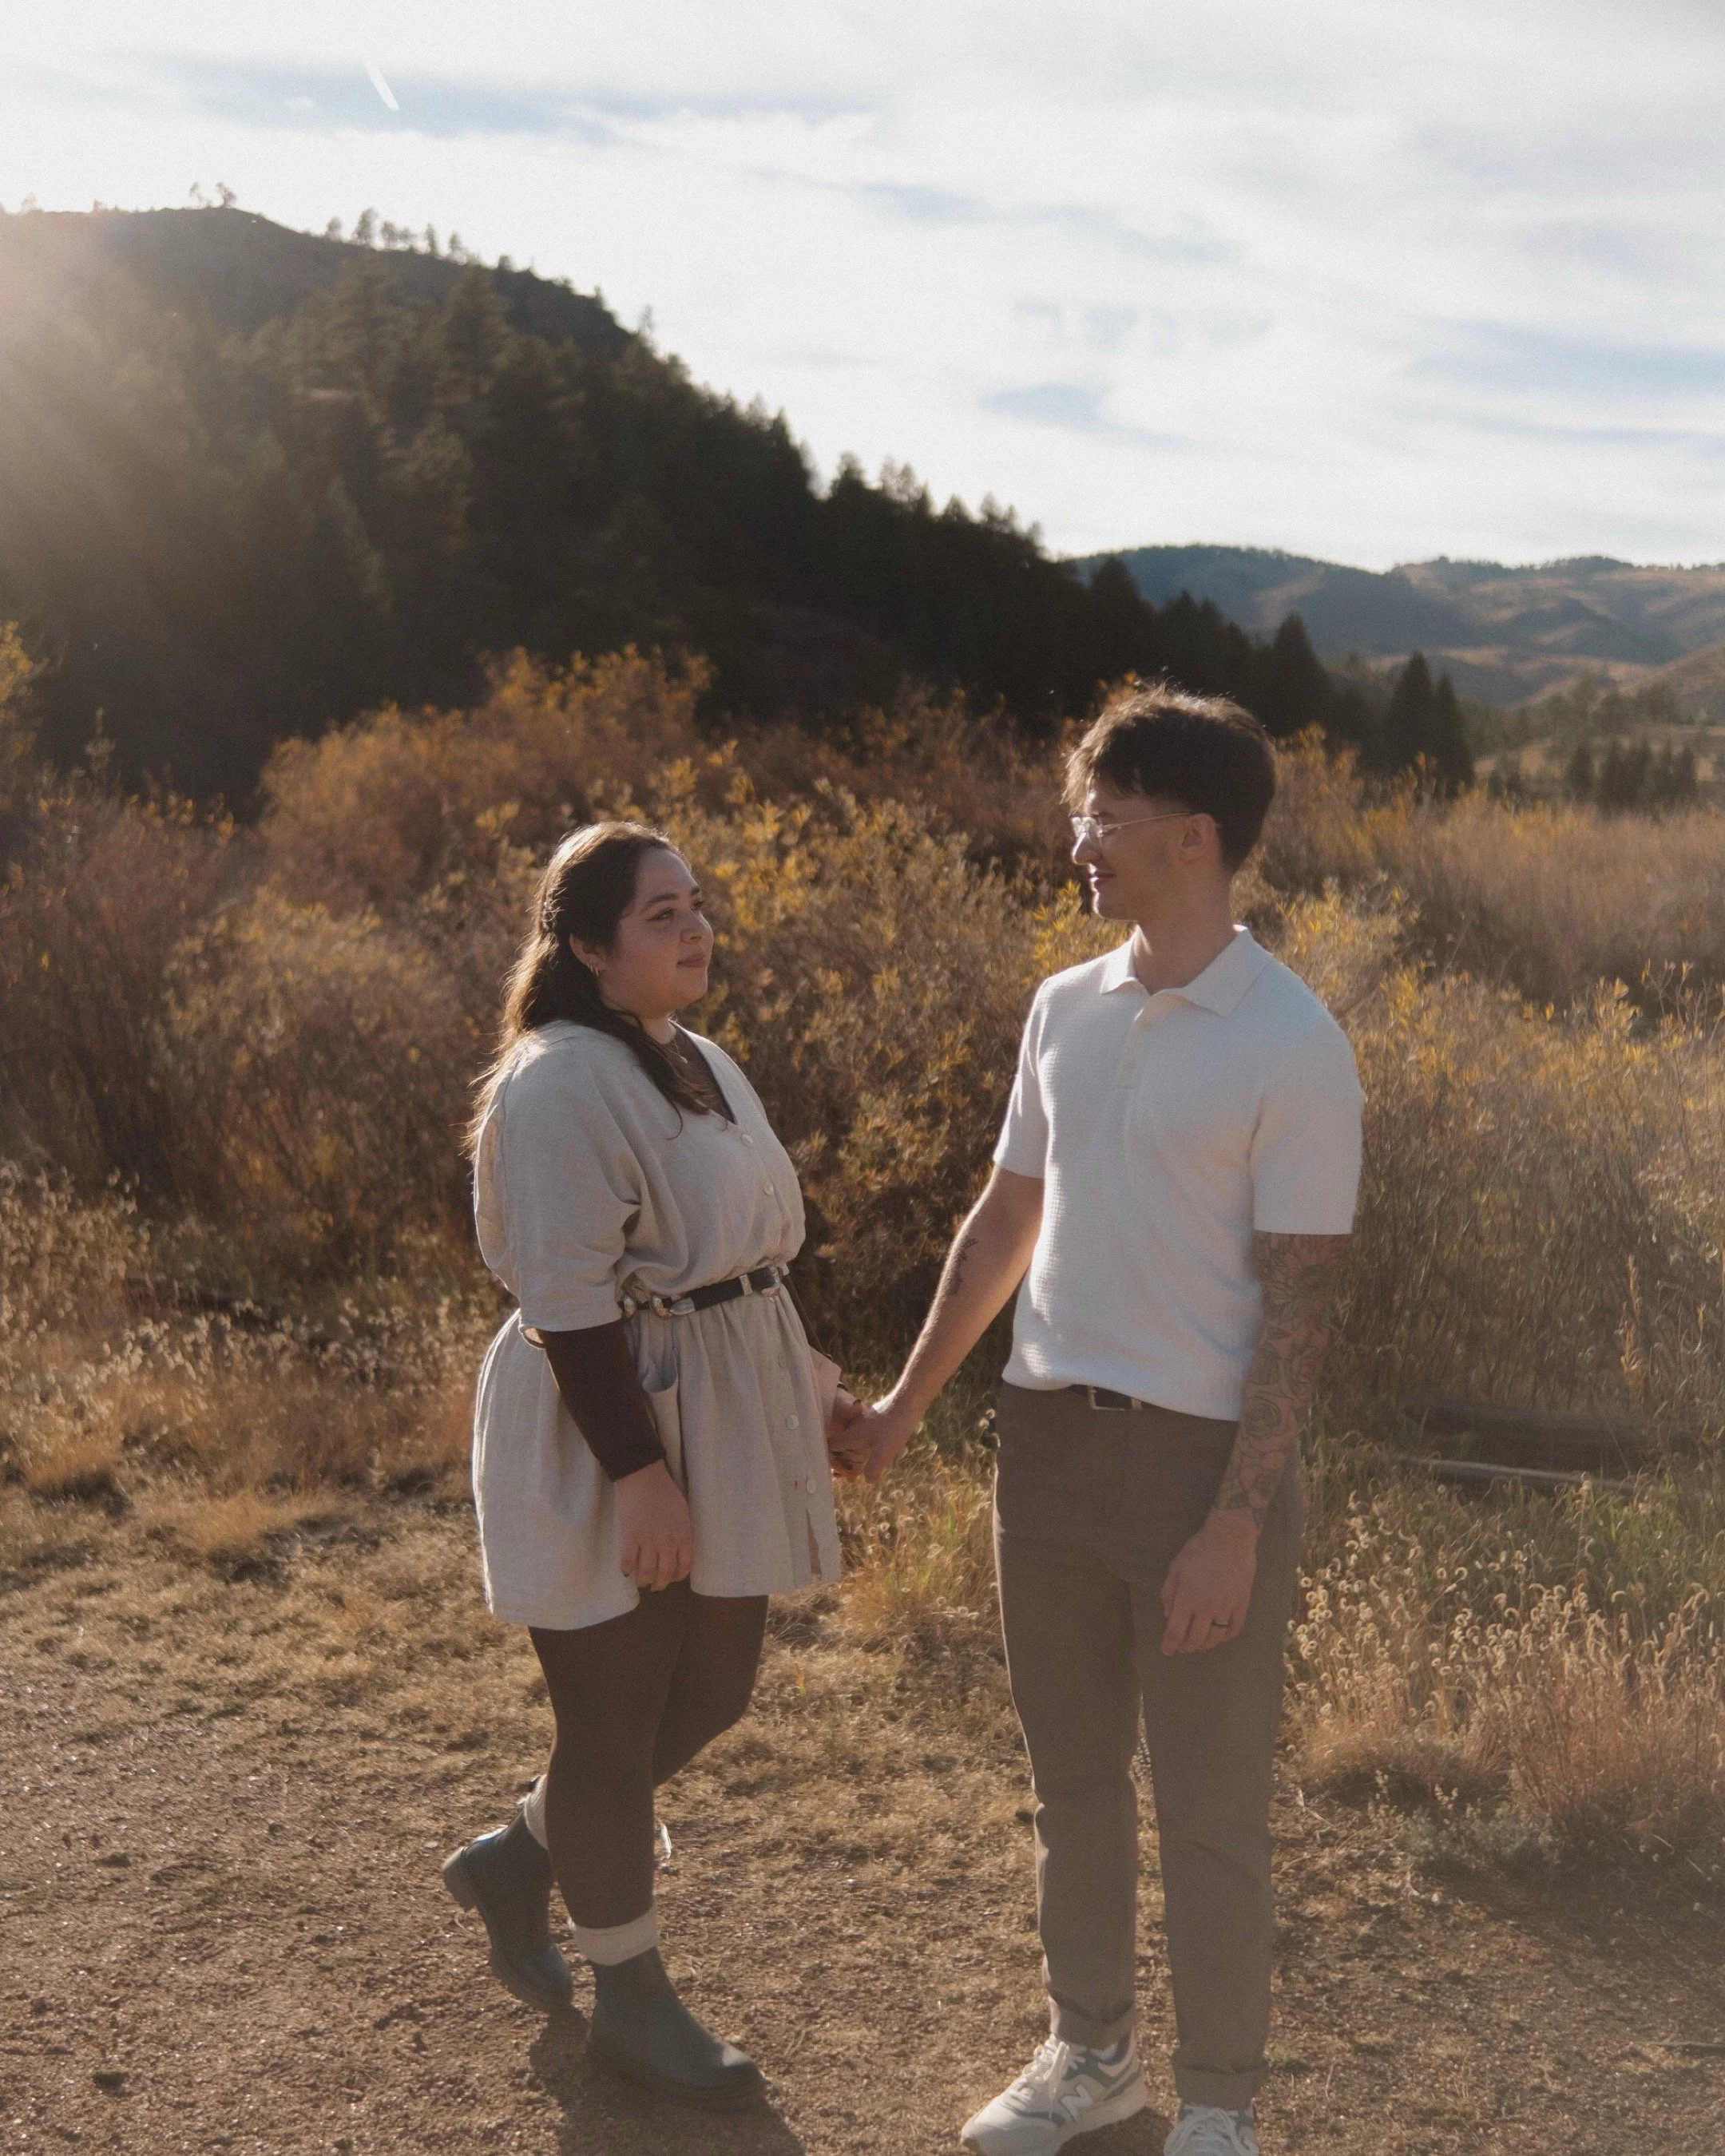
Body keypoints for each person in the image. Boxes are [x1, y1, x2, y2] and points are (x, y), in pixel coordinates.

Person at [859, 686, 1362, 2156]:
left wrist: (1234, 1521)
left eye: (1107, 817)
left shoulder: (1292, 1043)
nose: (1081, 840)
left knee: (1209, 1811)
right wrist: (904, 1406)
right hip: (1046, 1443)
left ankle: (1219, 2109)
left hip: (1198, 1466)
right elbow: (1009, 1214)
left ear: (1194, 840)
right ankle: (1093, 2060)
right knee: (1072, 1787)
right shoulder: (1063, 1008)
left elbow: (1304, 1306)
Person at [441, 819, 859, 2110]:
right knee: (611, 1728)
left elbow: (742, 1255)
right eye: (663, 914)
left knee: (717, 1687)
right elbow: (568, 1300)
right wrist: (641, 1475)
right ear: (586, 946)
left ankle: (521, 1855)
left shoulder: (700, 1058)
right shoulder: (558, 1081)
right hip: (608, 1418)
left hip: (726, 1404)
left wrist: (816, 1386)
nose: (697, 928)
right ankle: (632, 1997)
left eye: (698, 904)